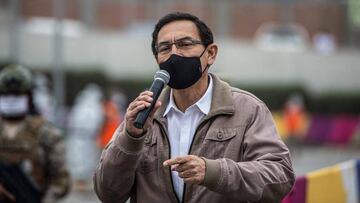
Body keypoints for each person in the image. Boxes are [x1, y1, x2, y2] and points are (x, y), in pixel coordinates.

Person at [94, 12, 295, 203]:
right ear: (157, 60)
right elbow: (108, 193)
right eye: (164, 48)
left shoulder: (247, 110)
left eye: (185, 44)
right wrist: (131, 138)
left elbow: (280, 177)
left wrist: (214, 173)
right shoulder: (143, 114)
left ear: (210, 54)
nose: (174, 54)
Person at [0, 64, 70, 203]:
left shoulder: (47, 133)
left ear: (30, 96)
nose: (12, 99)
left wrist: (48, 199)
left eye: (17, 95)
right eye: (7, 95)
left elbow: (61, 180)